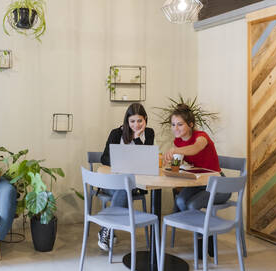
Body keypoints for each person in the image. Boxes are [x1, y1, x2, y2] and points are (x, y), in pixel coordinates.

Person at [164, 103, 230, 256]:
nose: (176, 128)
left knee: (193, 204)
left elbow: (195, 148)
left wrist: (175, 150)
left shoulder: (201, 137)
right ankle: (205, 235)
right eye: (173, 125)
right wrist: (170, 163)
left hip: (218, 185)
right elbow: (176, 166)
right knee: (180, 201)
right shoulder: (178, 142)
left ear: (191, 124)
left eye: (180, 124)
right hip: (199, 183)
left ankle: (204, 240)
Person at [97, 103, 155, 251]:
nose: (136, 125)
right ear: (127, 121)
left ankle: (106, 229)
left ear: (145, 119)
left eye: (140, 121)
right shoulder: (116, 134)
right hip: (113, 182)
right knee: (124, 187)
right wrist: (120, 164)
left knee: (126, 187)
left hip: (135, 183)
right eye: (132, 121)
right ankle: (108, 229)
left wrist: (136, 138)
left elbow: (147, 159)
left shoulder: (149, 133)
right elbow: (104, 158)